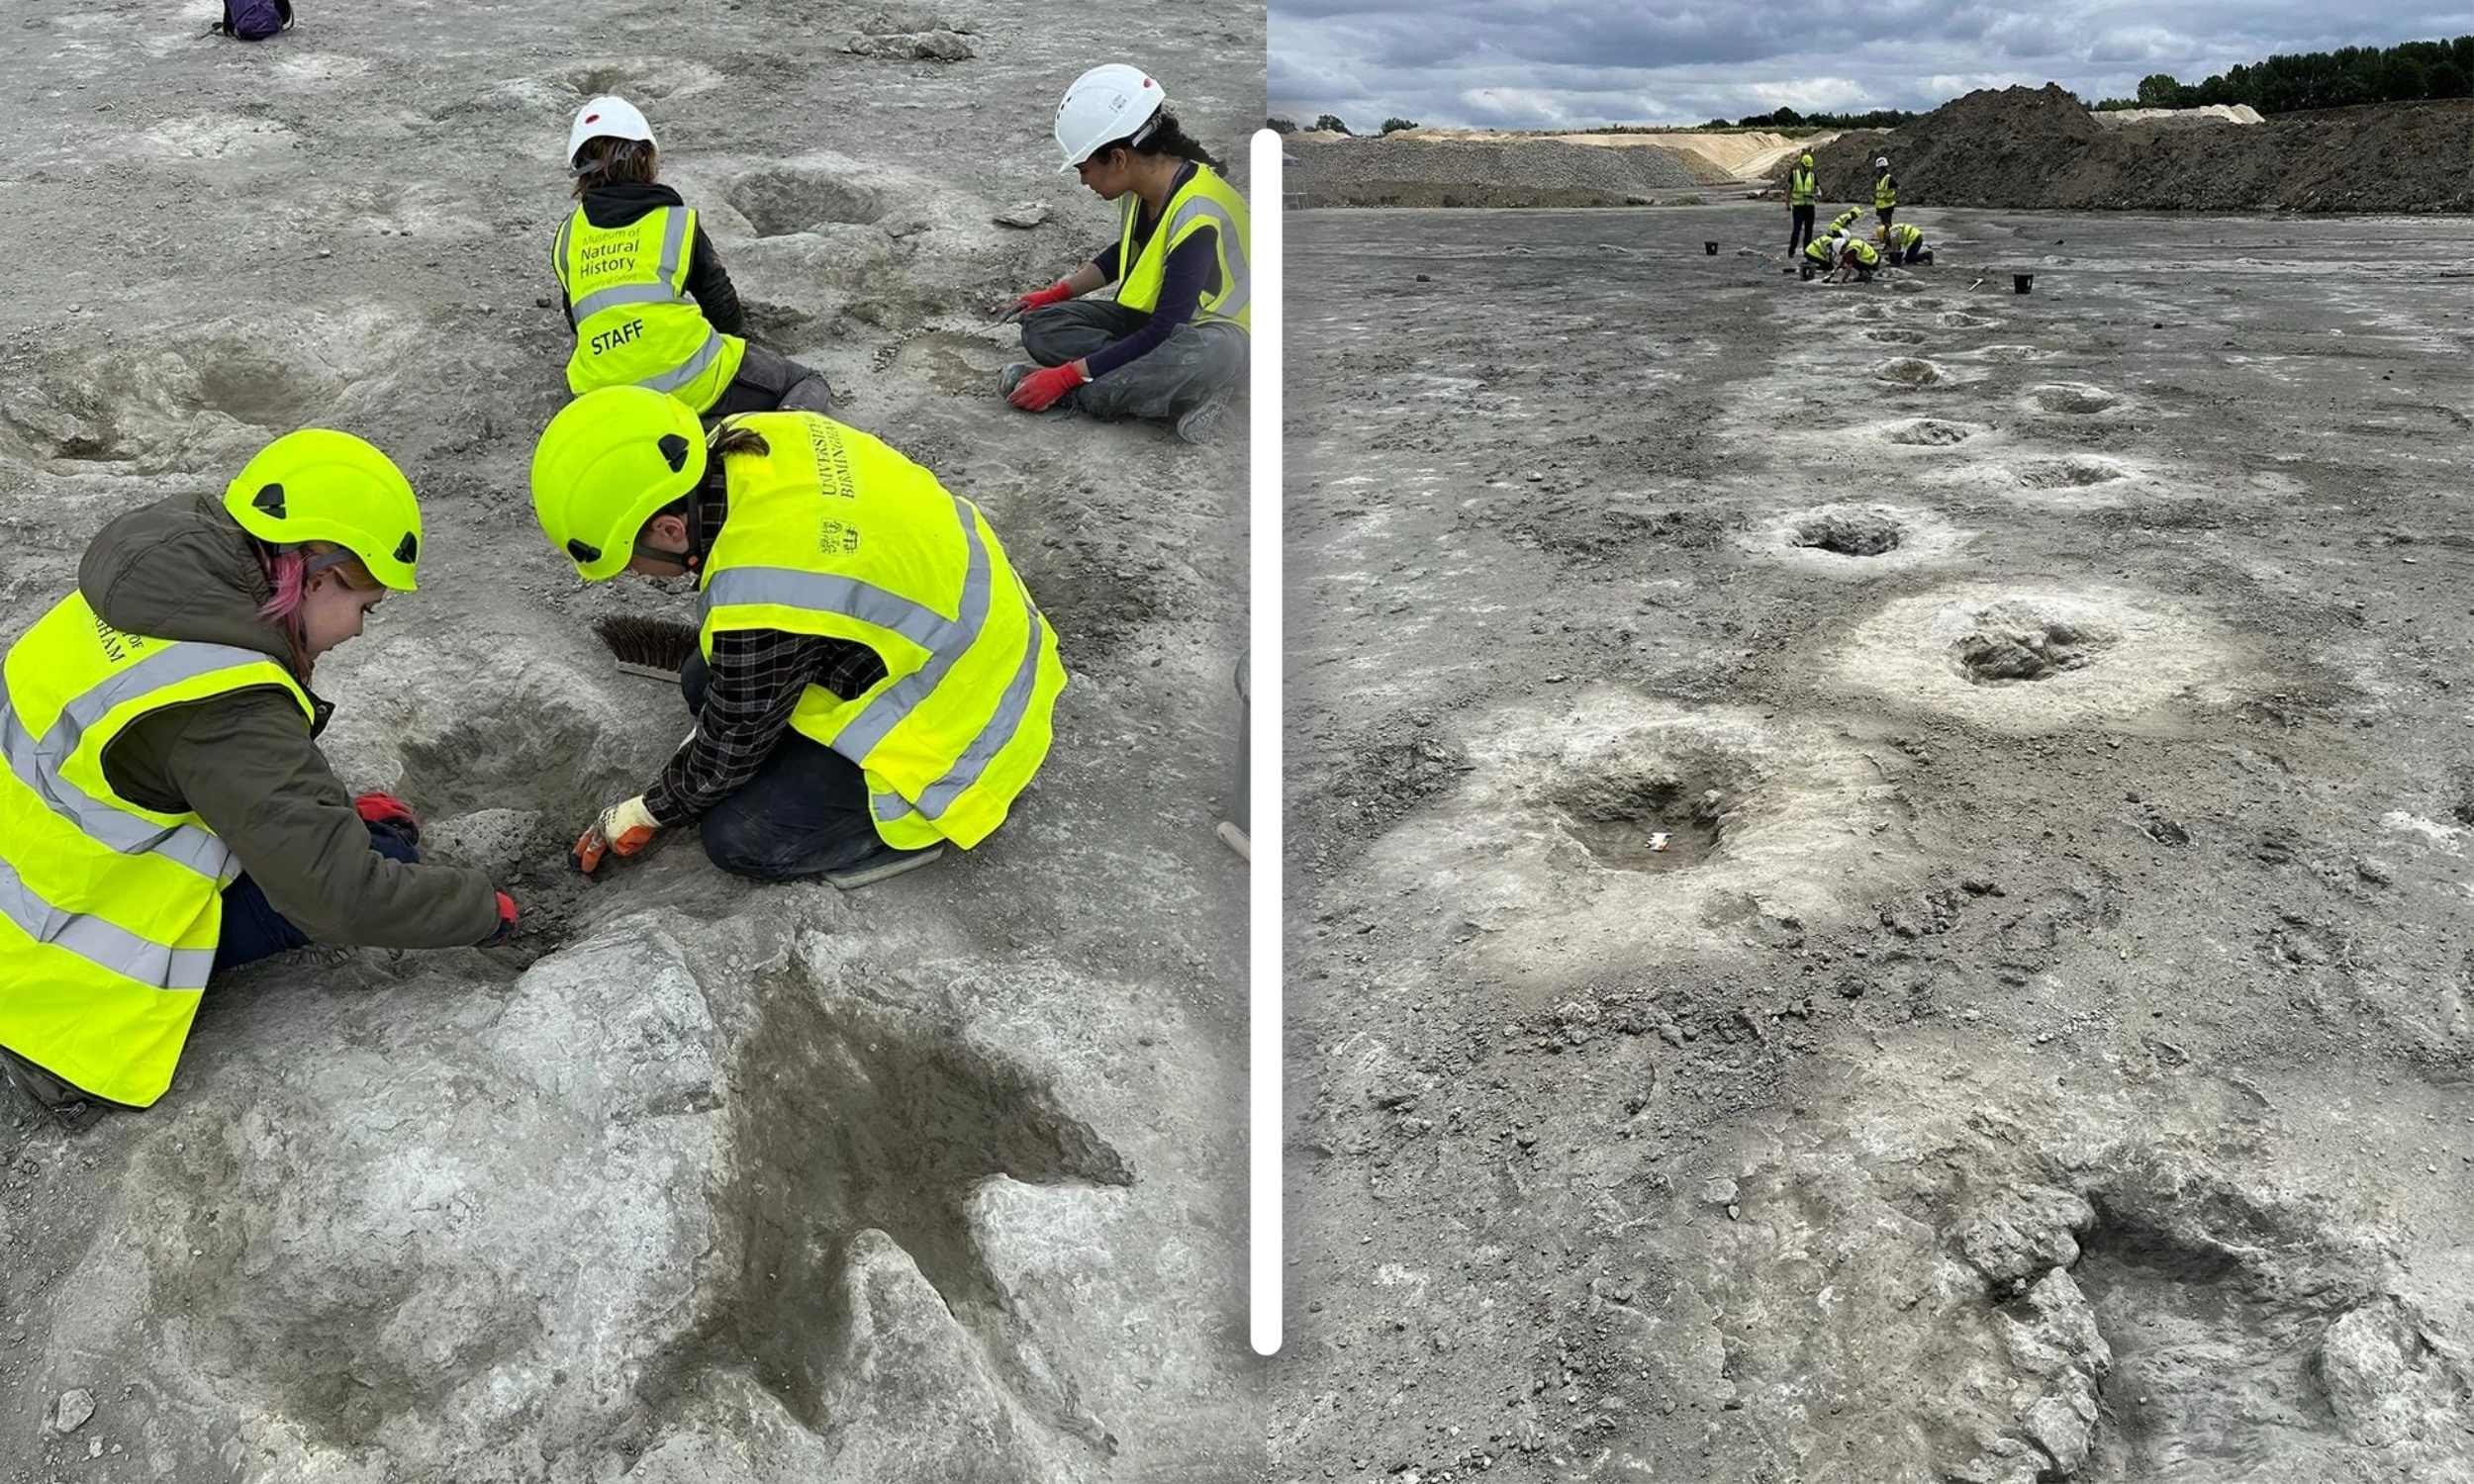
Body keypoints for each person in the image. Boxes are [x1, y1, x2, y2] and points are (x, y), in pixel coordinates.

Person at [0, 431, 517, 1123]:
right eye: (366, 606)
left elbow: (233, 767)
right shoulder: (224, 703)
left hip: (41, 873)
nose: (360, 631)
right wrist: (482, 910)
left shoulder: (158, 585)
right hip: (62, 977)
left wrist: (331, 810)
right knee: (384, 861)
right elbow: (337, 897)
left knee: (356, 839)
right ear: (320, 573)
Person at [529, 387, 1067, 888]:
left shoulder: (764, 589)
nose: (639, 576)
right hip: (960, 631)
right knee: (704, 678)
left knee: (740, 839)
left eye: (632, 562)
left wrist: (647, 811)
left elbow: (730, 747)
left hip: (965, 719)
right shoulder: (755, 437)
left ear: (670, 530)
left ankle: (903, 838)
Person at [998, 64, 1249, 445]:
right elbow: (1124, 253)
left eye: (1084, 169)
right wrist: (1055, 295)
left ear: (1117, 158)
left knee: (1180, 362)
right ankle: (1147, 382)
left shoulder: (1199, 210)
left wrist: (1066, 377)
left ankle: (1105, 388)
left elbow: (1167, 327)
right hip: (1152, 324)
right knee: (1041, 326)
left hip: (1219, 336)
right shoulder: (1143, 188)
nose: (1083, 181)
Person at [555, 95, 833, 421]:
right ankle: (780, 435)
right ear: (646, 157)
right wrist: (732, 351)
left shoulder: (568, 236)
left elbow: (579, 320)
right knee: (806, 381)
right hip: (691, 382)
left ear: (580, 172)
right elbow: (720, 303)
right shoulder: (675, 222)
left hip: (603, 395)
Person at [1786, 151, 1818, 257]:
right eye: (1806, 167)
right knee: (1797, 230)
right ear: (1802, 165)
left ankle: (1807, 252)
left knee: (1809, 231)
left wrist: (1818, 194)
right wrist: (1787, 203)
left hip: (1810, 207)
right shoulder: (1795, 174)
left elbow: (1818, 188)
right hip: (1798, 207)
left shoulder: (1813, 175)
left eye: (1809, 167)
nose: (1808, 169)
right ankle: (1791, 250)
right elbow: (1789, 189)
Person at [1873, 155, 1898, 236]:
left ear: (1881, 169)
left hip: (1887, 205)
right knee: (1884, 224)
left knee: (1887, 225)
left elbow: (1896, 187)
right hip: (1881, 206)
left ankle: (1890, 241)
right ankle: (1887, 239)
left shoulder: (1889, 178)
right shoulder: (1879, 179)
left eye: (1878, 169)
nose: (1877, 171)